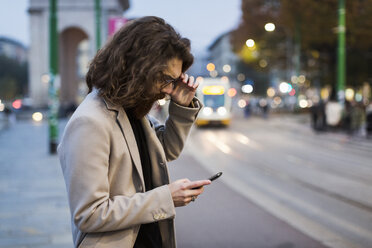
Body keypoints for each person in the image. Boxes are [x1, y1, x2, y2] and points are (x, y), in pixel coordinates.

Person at [57, 16, 211, 248]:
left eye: (175, 80)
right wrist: (165, 198)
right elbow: (89, 214)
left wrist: (181, 106)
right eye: (166, 79)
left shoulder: (130, 108)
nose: (169, 90)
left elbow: (166, 150)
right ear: (138, 69)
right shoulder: (90, 122)